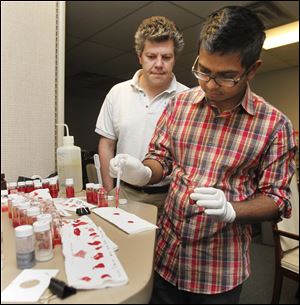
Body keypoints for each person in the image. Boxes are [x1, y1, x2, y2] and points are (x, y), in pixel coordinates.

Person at [109, 6, 297, 304]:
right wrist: (145, 171)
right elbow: (160, 157)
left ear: (252, 69)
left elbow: (278, 200)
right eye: (204, 70)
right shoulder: (178, 105)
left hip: (218, 270)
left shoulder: (274, 126)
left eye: (226, 76)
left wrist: (233, 210)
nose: (210, 84)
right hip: (167, 257)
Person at [95, 16, 188, 216]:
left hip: (170, 195)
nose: (159, 64)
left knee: (163, 248)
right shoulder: (117, 93)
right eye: (151, 56)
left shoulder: (188, 98)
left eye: (166, 57)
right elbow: (107, 144)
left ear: (175, 58)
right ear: (140, 57)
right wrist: (109, 191)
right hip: (125, 193)